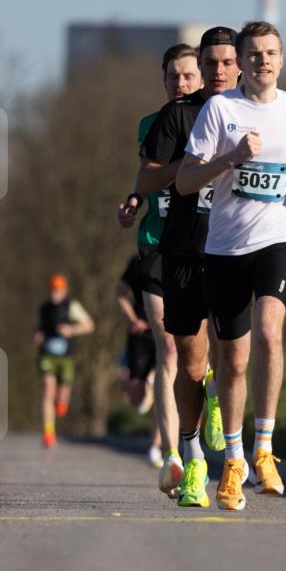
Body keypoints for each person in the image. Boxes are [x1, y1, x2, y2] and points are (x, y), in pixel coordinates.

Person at [177, 20, 286, 510]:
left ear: (282, 59)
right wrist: (230, 158)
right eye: (254, 53)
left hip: (278, 239)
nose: (263, 60)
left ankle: (264, 448)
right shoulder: (221, 110)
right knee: (234, 361)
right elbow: (183, 180)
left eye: (271, 52)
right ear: (240, 62)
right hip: (224, 250)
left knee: (269, 331)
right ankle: (234, 462)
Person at [132, 27, 241, 508]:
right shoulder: (178, 115)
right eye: (209, 63)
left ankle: (228, 427)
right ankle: (194, 460)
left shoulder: (257, 111)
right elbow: (147, 176)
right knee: (188, 362)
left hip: (237, 249)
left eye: (225, 62)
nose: (217, 71)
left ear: (239, 64)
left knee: (232, 355)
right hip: (183, 251)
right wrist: (195, 166)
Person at [118, 44, 202, 497]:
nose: (180, 83)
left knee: (198, 354)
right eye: (173, 76)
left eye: (188, 75)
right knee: (168, 349)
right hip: (155, 246)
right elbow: (145, 177)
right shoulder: (150, 125)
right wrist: (134, 201)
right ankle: (173, 455)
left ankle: (201, 437)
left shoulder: (213, 117)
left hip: (203, 246)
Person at [34, 274, 95, 448]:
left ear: (64, 291)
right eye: (53, 290)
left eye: (58, 291)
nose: (55, 294)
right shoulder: (44, 308)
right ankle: (48, 433)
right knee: (48, 390)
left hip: (66, 356)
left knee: (61, 396)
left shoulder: (72, 306)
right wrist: (38, 335)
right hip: (46, 355)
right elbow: (38, 328)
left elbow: (89, 325)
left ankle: (61, 403)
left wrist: (71, 329)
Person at [115, 254, 163, 468]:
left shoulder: (174, 254)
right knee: (137, 398)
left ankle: (155, 446)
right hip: (140, 333)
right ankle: (145, 382)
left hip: (164, 330)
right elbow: (120, 293)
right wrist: (132, 320)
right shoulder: (135, 262)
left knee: (165, 390)